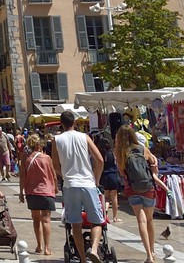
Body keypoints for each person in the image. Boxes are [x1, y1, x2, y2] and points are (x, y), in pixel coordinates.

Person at [52, 110, 105, 263]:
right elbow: (100, 160)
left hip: (70, 185)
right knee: (97, 221)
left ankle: (82, 258)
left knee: (75, 223)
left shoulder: (57, 140)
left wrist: (65, 176)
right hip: (88, 183)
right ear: (74, 122)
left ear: (61, 124)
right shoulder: (85, 137)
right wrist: (96, 179)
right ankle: (94, 249)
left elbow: (55, 165)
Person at [117, 126, 160, 263]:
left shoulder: (120, 152)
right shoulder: (142, 148)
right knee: (149, 220)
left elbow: (122, 173)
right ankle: (152, 251)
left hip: (132, 189)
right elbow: (154, 163)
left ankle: (148, 255)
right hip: (148, 187)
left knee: (141, 221)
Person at [20, 132, 57, 257]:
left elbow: (22, 177)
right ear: (39, 145)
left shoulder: (26, 159)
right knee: (46, 220)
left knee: (36, 219)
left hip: (32, 192)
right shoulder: (47, 158)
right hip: (46, 192)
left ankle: (39, 245)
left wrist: (21, 192)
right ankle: (47, 248)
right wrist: (55, 188)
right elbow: (53, 175)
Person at [93, 129, 123, 224]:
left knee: (106, 197)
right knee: (114, 198)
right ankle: (115, 217)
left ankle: (105, 212)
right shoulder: (112, 154)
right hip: (113, 175)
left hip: (104, 176)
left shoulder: (99, 155)